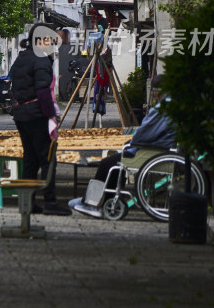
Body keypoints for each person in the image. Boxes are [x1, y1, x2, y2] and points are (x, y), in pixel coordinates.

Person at [69, 74, 176, 218]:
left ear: (158, 91)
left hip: (151, 152)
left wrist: (130, 143)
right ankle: (97, 200)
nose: (154, 94)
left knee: (107, 163)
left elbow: (144, 133)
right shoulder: (173, 105)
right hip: (162, 149)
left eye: (155, 91)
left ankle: (92, 202)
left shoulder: (161, 108)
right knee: (113, 163)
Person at [10, 23, 72, 216]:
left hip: (21, 114)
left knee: (30, 160)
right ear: (40, 40)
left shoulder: (21, 58)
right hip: (37, 114)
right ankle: (50, 201)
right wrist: (50, 116)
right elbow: (44, 90)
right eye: (49, 40)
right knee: (47, 159)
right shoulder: (41, 59)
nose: (52, 43)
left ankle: (27, 202)